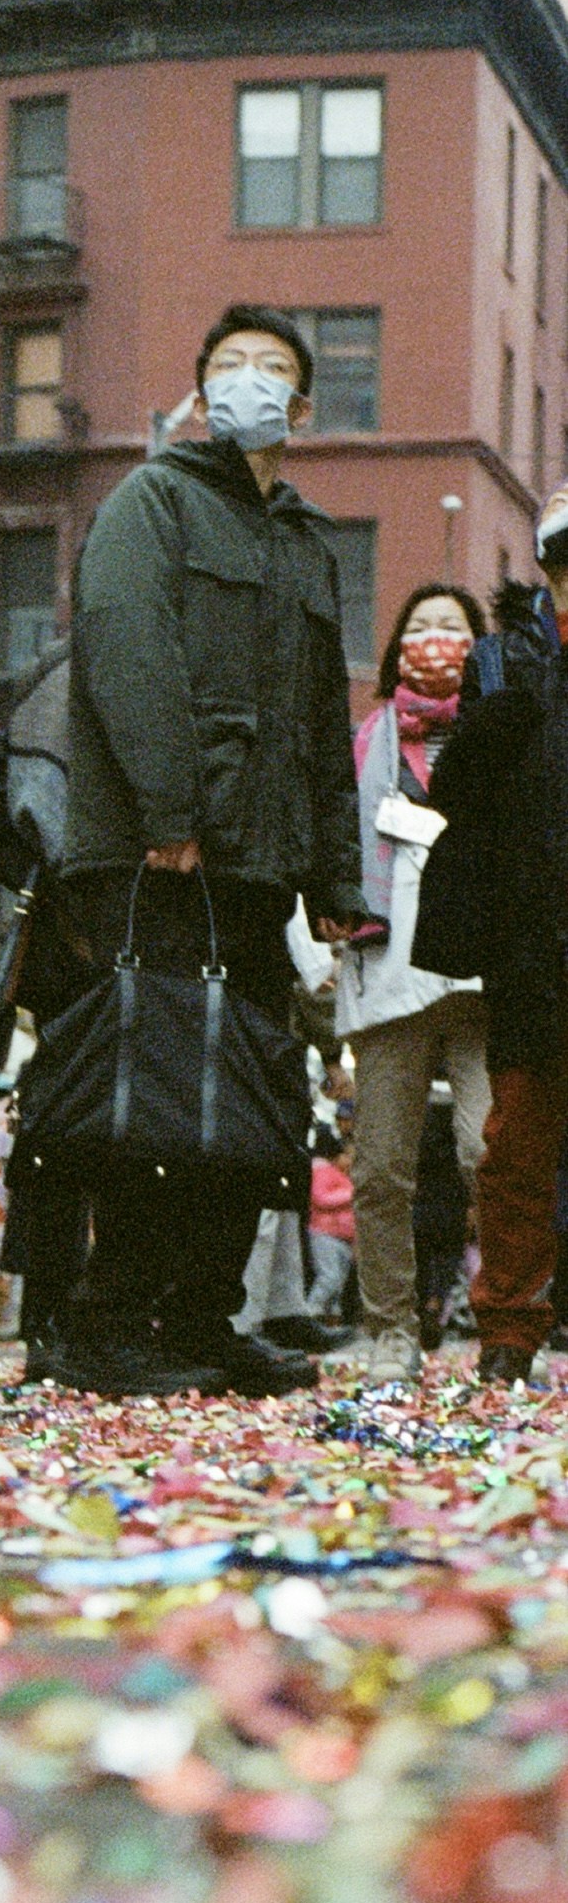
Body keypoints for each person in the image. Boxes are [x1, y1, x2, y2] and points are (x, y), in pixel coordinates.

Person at [53, 305, 363, 1400]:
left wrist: (335, 877)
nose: (246, 383)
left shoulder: (303, 542)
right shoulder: (155, 500)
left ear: (303, 407)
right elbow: (126, 646)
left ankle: (201, 1311)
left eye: (269, 369)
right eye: (226, 366)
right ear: (197, 393)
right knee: (160, 1083)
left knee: (250, 1092)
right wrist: (166, 809)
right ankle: (103, 1316)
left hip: (260, 865)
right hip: (165, 853)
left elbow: (325, 718)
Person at [419, 509, 568, 1382]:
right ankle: (508, 1331)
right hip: (529, 937)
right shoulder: (500, 662)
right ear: (547, 567)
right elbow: (454, 796)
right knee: (517, 1139)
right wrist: (479, 740)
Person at [336, 587, 490, 1387]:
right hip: (387, 965)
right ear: (397, 644)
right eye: (421, 627)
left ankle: (506, 1323)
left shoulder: (504, 733)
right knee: (381, 1167)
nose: (435, 641)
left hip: (481, 971)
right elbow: (338, 842)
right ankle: (389, 1327)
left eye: (452, 629)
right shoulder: (365, 744)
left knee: (487, 1147)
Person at [0, 632, 90, 1385]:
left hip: (63, 951)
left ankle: (46, 1314)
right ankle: (72, 1310)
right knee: (97, 1134)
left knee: (55, 1136)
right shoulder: (84, 677)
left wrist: (35, 875)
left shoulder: (46, 682)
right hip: (97, 946)